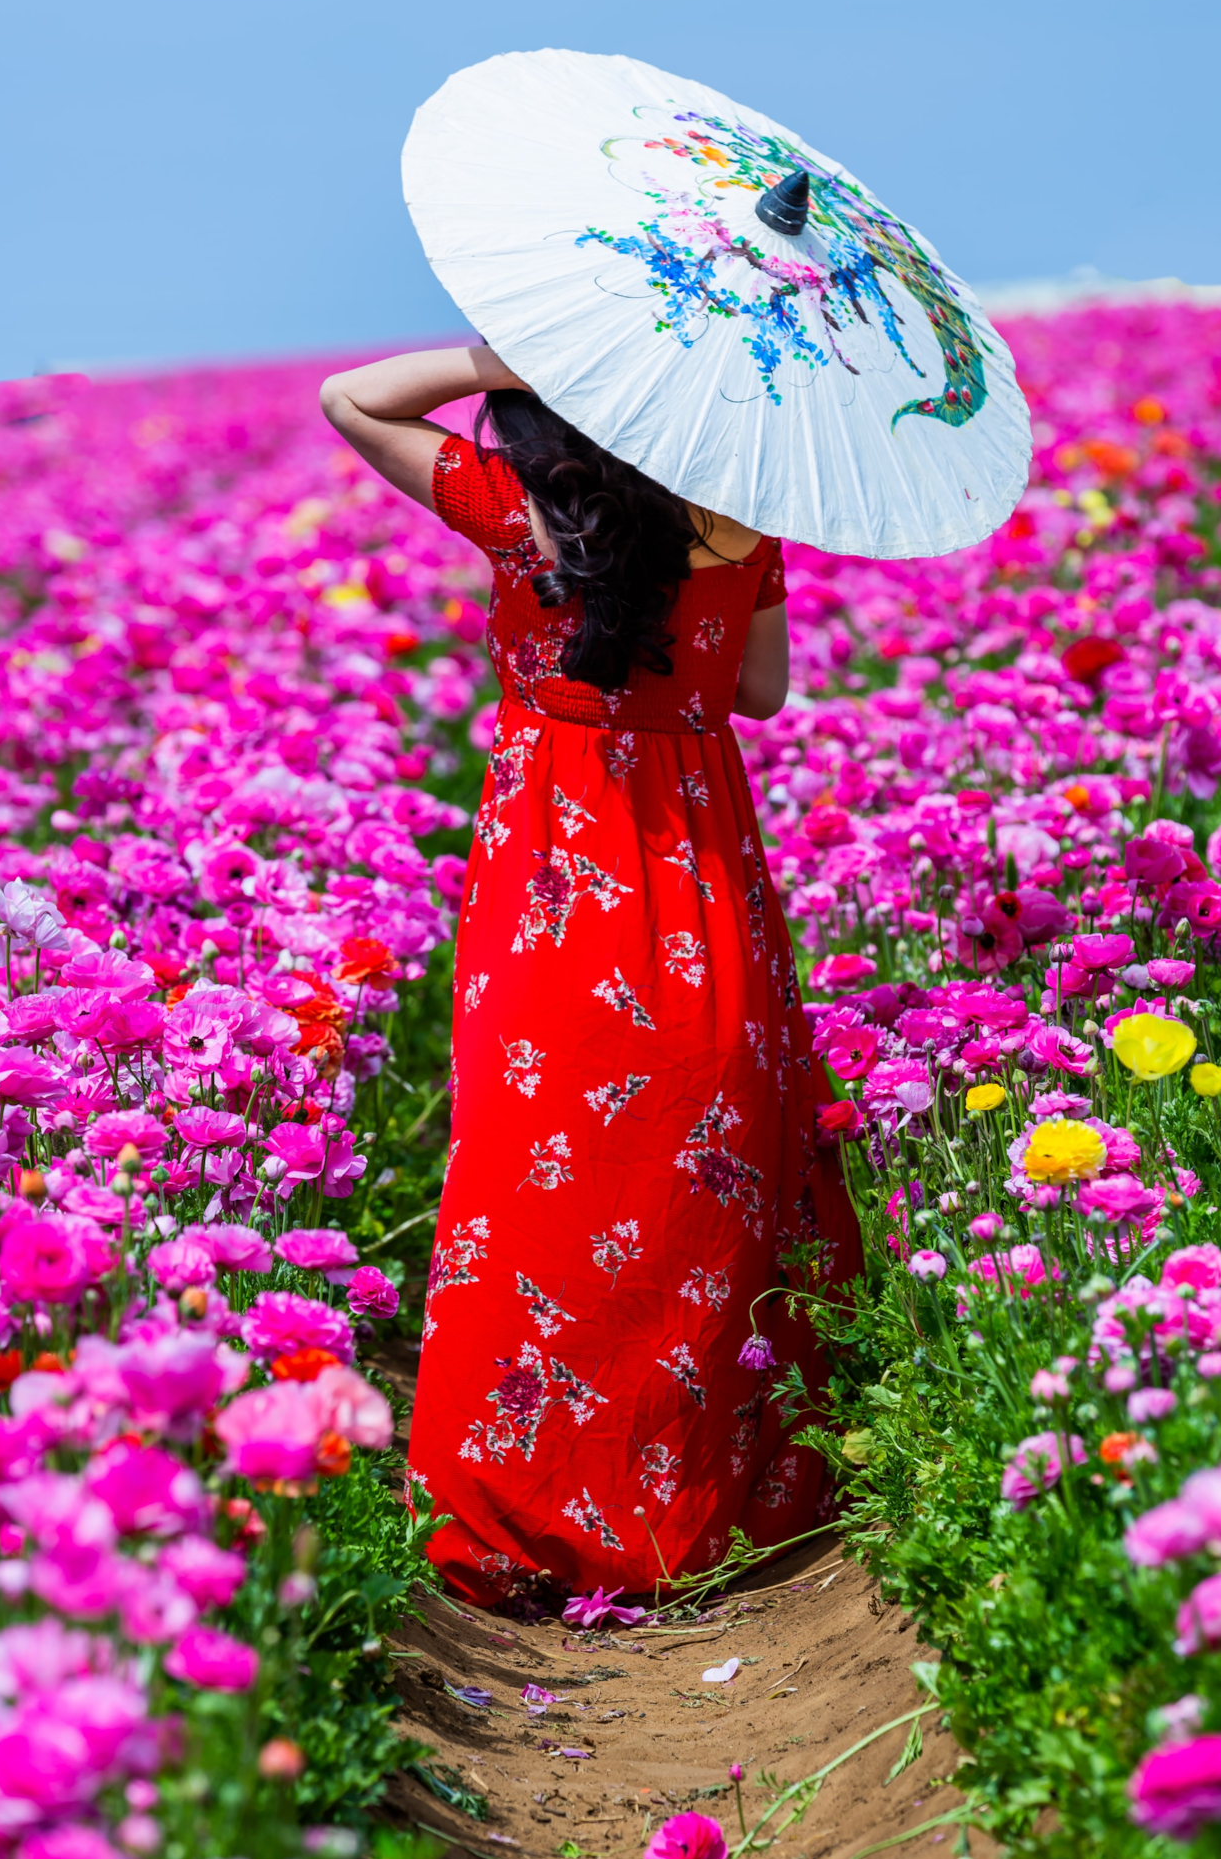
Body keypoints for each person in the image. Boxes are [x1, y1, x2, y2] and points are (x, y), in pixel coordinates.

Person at [321, 346, 861, 1607]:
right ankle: (699, 1493)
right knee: (706, 1152)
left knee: (536, 1161)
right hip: (696, 862)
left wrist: (496, 357)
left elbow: (347, 399)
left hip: (557, 868)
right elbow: (766, 692)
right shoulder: (741, 516)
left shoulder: (523, 513)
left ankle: (535, 1496)